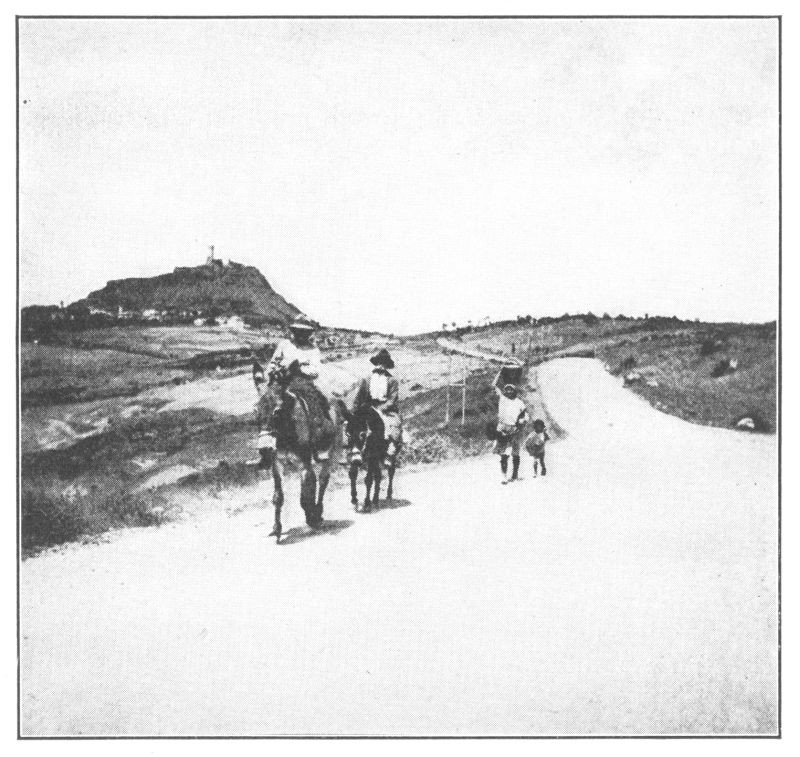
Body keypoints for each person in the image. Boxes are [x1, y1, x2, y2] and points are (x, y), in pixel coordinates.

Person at [261, 316, 330, 448]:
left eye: (305, 332)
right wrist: (273, 370)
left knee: (314, 403)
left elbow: (315, 371)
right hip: (282, 381)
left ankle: (316, 434)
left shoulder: (313, 350)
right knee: (268, 402)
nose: (301, 334)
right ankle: (267, 434)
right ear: (294, 331)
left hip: (302, 383)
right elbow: (273, 362)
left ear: (309, 333)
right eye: (298, 331)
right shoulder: (284, 345)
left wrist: (300, 370)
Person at [351, 348, 402, 456]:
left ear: (387, 365)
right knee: (353, 424)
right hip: (368, 408)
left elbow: (392, 399)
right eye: (379, 363)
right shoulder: (367, 379)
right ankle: (355, 449)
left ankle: (390, 450)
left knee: (394, 423)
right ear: (375, 364)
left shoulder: (392, 381)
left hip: (386, 410)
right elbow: (359, 397)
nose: (380, 366)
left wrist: (381, 409)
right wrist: (354, 411)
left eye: (383, 363)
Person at [493, 370, 528, 484]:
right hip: (503, 429)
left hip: (515, 429)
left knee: (516, 453)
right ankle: (504, 476)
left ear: (514, 391)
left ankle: (515, 475)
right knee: (505, 454)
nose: (509, 391)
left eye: (511, 389)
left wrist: (523, 421)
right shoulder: (502, 399)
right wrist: (499, 372)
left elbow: (525, 415)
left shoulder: (519, 402)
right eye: (507, 389)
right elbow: (493, 385)